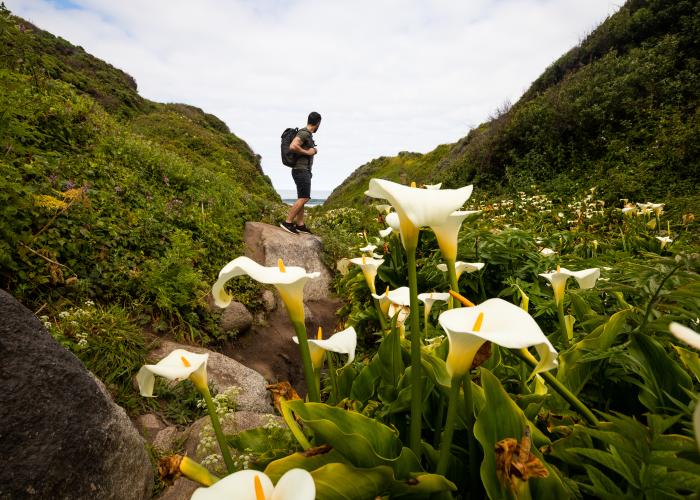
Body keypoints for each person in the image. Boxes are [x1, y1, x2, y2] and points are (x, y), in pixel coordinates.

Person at [280, 111, 321, 234]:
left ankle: (300, 224)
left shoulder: (307, 134)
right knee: (305, 197)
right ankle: (287, 222)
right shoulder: (304, 133)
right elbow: (293, 146)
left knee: (301, 197)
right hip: (301, 170)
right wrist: (309, 152)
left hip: (303, 170)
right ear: (318, 123)